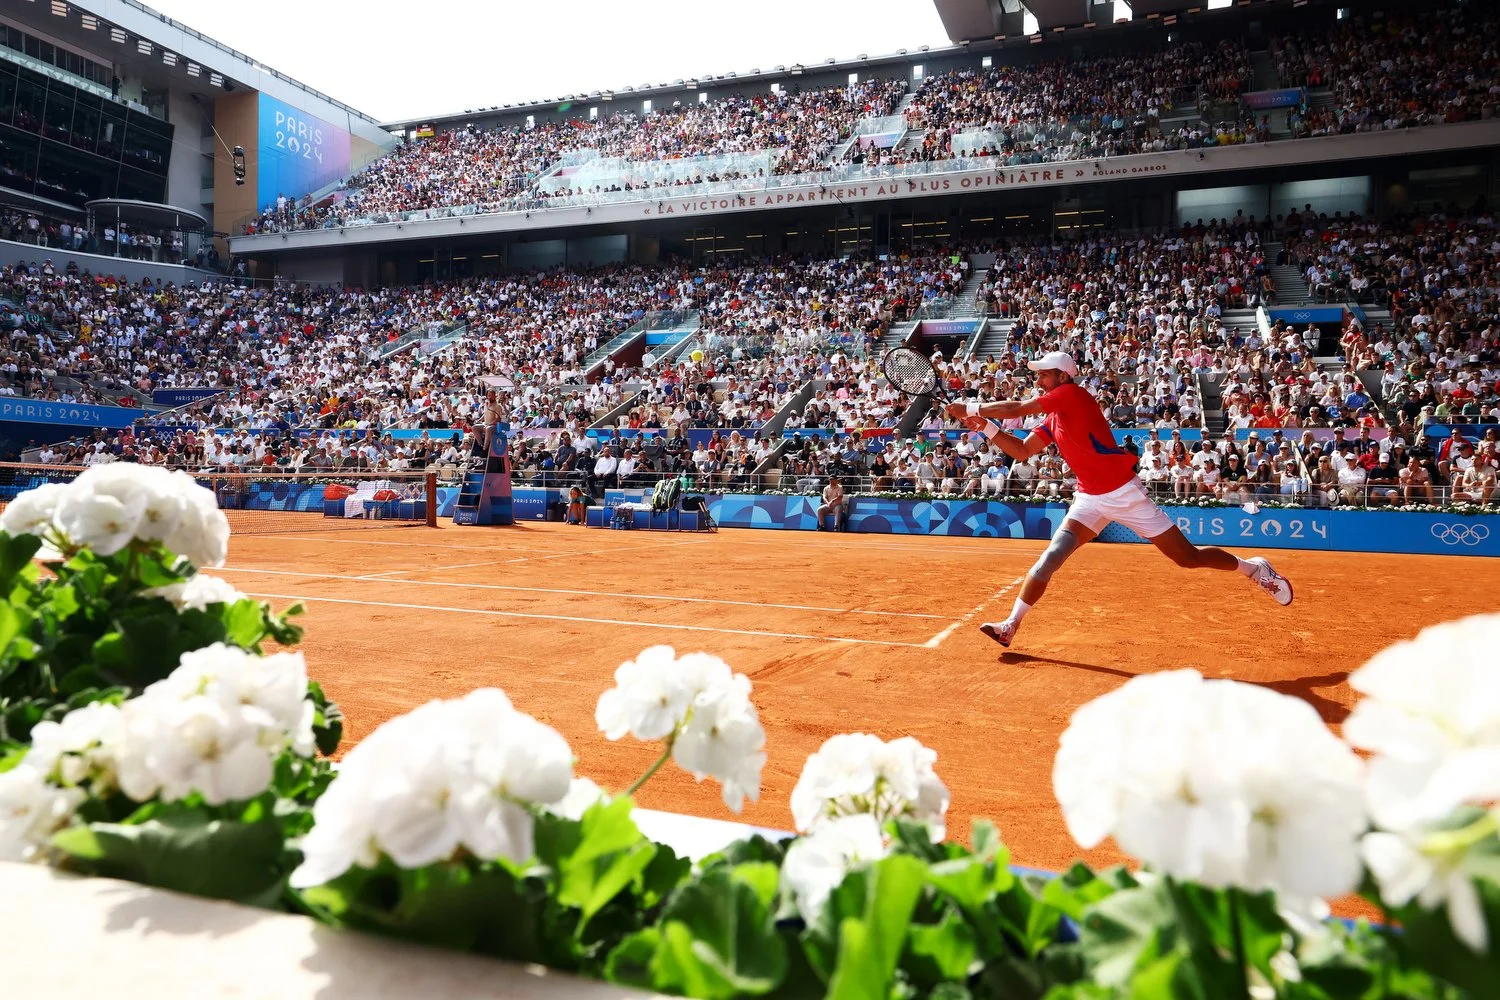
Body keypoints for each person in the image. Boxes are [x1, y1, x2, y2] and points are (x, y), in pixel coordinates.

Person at [944, 351, 1293, 649]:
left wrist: (972, 405)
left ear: (1062, 377)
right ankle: (1010, 626)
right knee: (1050, 558)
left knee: (1187, 558)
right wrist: (986, 428)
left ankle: (1255, 569)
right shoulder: (1054, 416)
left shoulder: (1073, 395)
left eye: (1044, 375)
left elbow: (1018, 407)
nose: (1039, 380)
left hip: (1125, 493)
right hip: (1089, 499)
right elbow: (1021, 451)